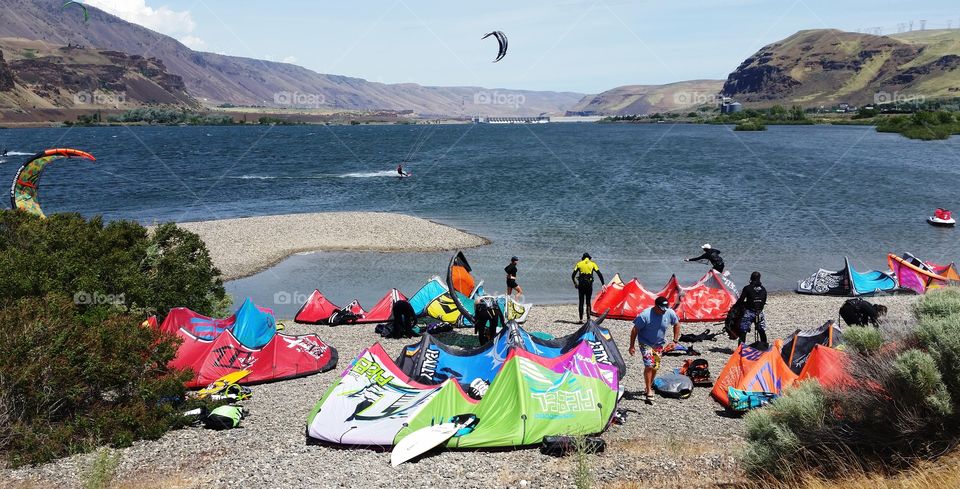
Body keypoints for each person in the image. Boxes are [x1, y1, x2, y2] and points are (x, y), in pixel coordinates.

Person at [629, 296, 680, 405]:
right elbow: (635, 330)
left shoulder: (669, 312)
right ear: (656, 306)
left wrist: (675, 341)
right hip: (645, 342)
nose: (664, 311)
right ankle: (648, 390)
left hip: (659, 344)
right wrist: (631, 346)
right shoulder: (645, 315)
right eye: (662, 308)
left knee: (655, 366)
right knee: (649, 365)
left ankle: (649, 385)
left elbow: (677, 324)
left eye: (666, 308)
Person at [736, 271, 768, 346]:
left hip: (749, 312)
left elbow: (741, 300)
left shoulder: (747, 288)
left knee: (743, 331)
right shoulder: (763, 289)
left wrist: (737, 306)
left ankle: (740, 349)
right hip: (759, 312)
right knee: (761, 330)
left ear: (751, 278)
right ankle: (765, 346)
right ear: (759, 279)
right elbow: (764, 301)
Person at [572, 253, 605, 322]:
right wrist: (603, 284)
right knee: (588, 301)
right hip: (589, 285)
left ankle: (580, 319)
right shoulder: (593, 264)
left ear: (583, 258)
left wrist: (575, 283)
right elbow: (599, 274)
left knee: (581, 301)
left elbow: (573, 275)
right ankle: (588, 319)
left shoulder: (579, 264)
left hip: (581, 284)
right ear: (589, 258)